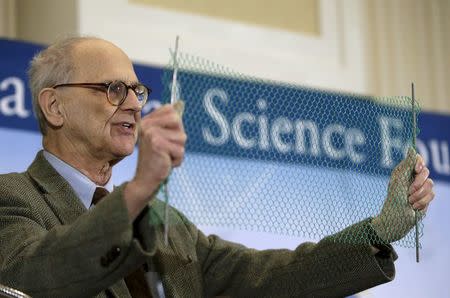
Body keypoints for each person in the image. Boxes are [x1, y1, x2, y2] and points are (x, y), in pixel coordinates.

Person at [0, 36, 434, 298]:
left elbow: (272, 278)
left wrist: (379, 230)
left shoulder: (168, 227)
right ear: (54, 105)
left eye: (136, 89)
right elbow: (34, 278)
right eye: (113, 89)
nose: (133, 103)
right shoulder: (13, 198)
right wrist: (139, 190)